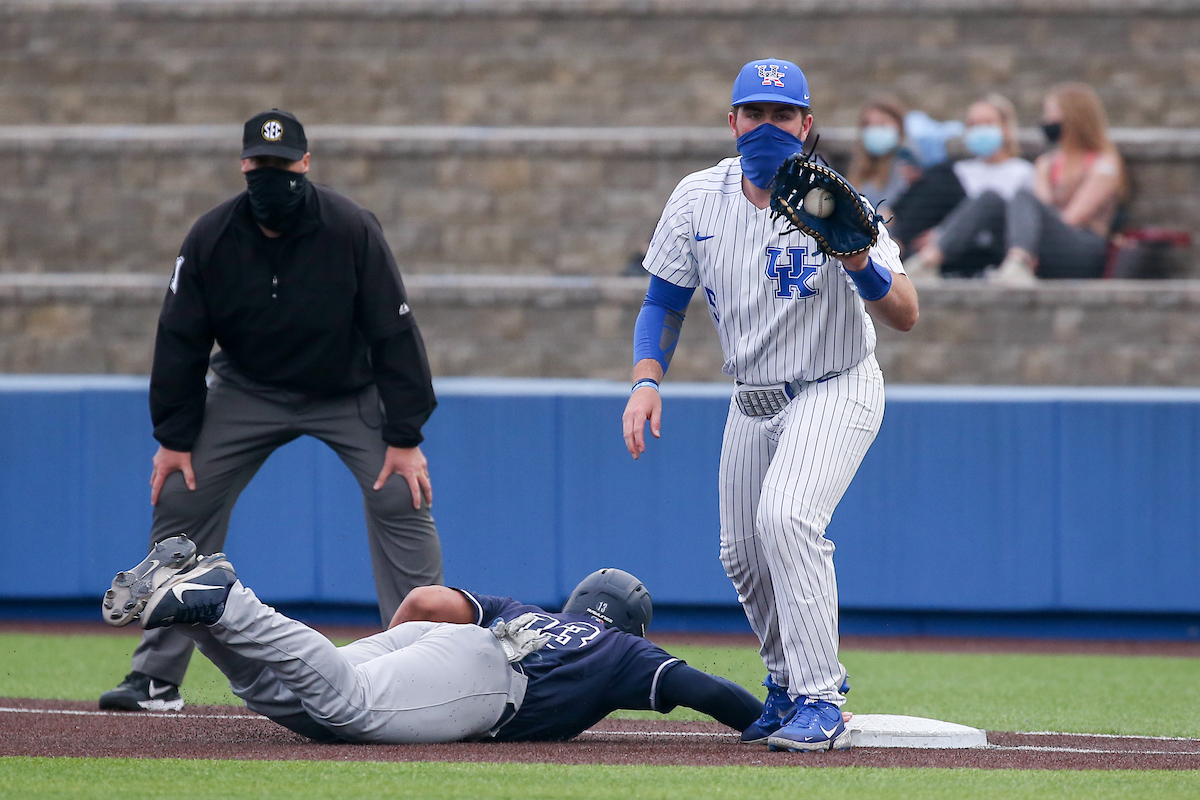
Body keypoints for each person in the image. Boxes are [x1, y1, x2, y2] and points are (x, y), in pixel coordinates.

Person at [100, 110, 444, 713]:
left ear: (306, 164)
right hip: (247, 388)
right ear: (243, 165)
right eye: (261, 163)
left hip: (347, 390)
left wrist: (405, 435)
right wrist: (174, 438)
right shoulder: (211, 236)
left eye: (284, 164)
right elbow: (179, 337)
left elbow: (395, 332)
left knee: (400, 493)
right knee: (181, 496)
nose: (272, 174)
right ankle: (155, 677)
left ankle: (426, 667)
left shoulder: (351, 228)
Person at [621, 58, 918, 753]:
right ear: (732, 122)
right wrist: (644, 380)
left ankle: (821, 698)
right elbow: (663, 301)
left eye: (782, 115)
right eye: (753, 113)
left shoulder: (835, 199)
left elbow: (904, 312)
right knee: (742, 554)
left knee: (787, 519)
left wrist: (857, 259)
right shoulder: (698, 198)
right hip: (752, 397)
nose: (766, 125)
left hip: (834, 383)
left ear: (806, 125)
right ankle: (785, 682)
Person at [101, 536, 765, 744]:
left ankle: (199, 611)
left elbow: (423, 601)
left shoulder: (526, 609)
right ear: (629, 620)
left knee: (298, 703)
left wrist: (409, 657)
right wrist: (764, 722)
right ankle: (229, 599)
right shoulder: (621, 651)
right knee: (347, 707)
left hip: (444, 636)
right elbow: (697, 687)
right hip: (490, 676)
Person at [989, 83, 1126, 284]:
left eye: (1050, 113)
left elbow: (1073, 218)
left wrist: (1034, 231)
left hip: (1084, 249)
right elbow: (1043, 207)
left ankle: (1018, 263)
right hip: (1051, 243)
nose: (1046, 121)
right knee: (989, 200)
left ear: (1073, 117)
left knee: (1023, 197)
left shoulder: (1104, 164)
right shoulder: (1047, 162)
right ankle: (931, 261)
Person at [902, 94, 1036, 278]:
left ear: (1005, 128)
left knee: (989, 199)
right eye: (973, 125)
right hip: (961, 250)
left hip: (999, 246)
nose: (980, 130)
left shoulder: (1023, 172)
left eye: (988, 123)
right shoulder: (958, 171)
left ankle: (926, 262)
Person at [846, 94, 921, 218]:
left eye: (882, 124)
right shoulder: (858, 165)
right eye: (869, 125)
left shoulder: (908, 162)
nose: (875, 130)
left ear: (899, 126)